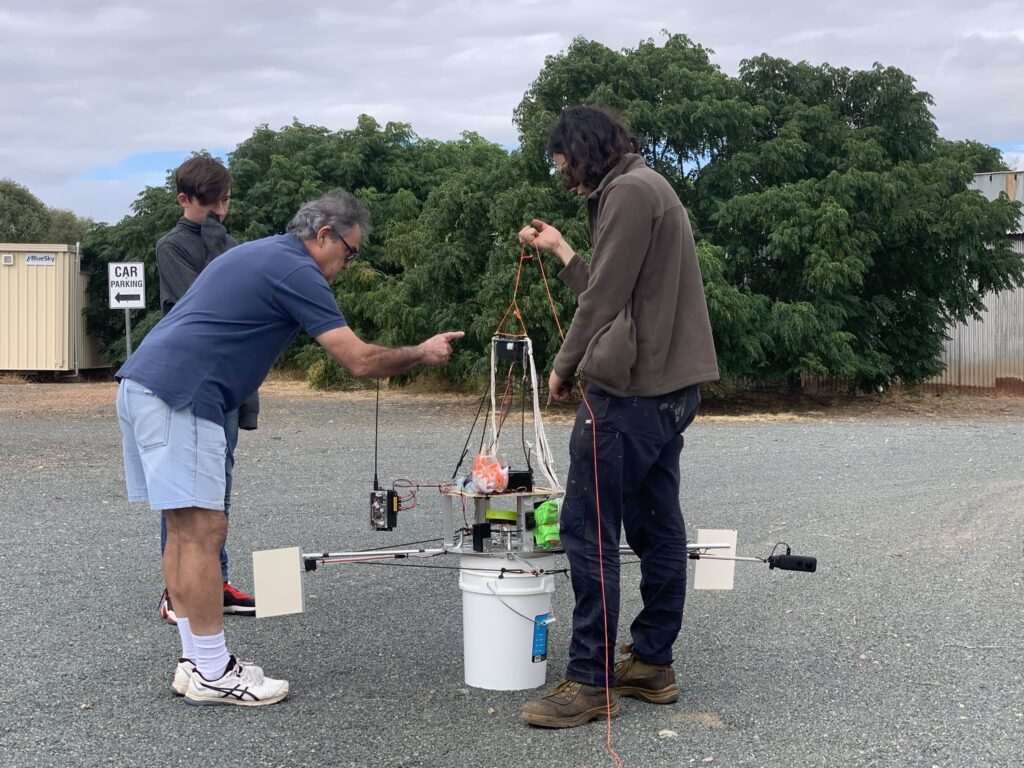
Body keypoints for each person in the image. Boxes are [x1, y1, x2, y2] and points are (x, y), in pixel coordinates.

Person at [116, 191, 464, 706]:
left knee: (183, 529)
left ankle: (197, 660)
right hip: (184, 394)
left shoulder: (261, 253)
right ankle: (214, 670)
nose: (346, 265)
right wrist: (423, 352)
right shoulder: (296, 269)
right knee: (204, 531)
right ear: (324, 235)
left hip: (147, 384)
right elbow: (360, 361)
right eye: (349, 252)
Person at [517, 106, 719, 728]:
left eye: (567, 168)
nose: (566, 181)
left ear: (589, 152)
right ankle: (652, 665)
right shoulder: (644, 187)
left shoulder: (629, 193)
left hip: (631, 394)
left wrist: (562, 366)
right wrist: (561, 248)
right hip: (669, 391)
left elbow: (603, 298)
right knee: (657, 526)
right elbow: (613, 284)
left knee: (587, 530)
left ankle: (590, 679)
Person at [155, 155, 256, 624]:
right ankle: (176, 594)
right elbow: (209, 303)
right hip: (188, 383)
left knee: (220, 486)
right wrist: (218, 240)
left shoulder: (232, 245)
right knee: (182, 489)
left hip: (228, 383)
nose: (221, 212)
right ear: (184, 200)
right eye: (212, 204)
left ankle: (216, 582)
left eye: (226, 201)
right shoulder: (171, 246)